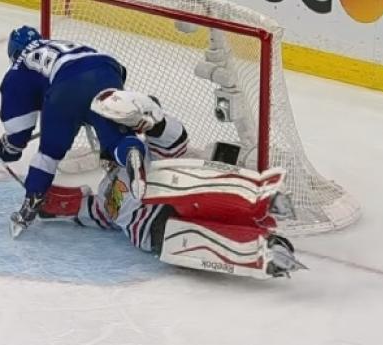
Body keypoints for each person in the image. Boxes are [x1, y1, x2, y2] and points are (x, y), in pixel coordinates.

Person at [35, 89, 306, 278]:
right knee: (201, 236)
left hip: (172, 200)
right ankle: (263, 250)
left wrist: (156, 124)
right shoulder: (106, 191)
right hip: (154, 231)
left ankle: (260, 203)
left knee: (197, 192)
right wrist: (53, 204)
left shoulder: (144, 153)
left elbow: (173, 142)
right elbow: (95, 213)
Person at [0, 25, 164, 237]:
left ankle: (30, 206)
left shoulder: (19, 66)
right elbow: (120, 71)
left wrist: (6, 149)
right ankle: (130, 151)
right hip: (106, 69)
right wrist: (88, 112)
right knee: (116, 137)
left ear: (13, 52)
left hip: (66, 87)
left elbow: (19, 131)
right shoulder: (61, 44)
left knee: (48, 154)